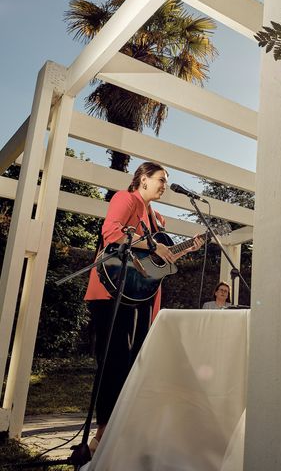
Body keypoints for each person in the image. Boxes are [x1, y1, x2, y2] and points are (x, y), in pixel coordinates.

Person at [84, 162, 203, 451]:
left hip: (141, 298)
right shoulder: (126, 199)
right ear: (143, 179)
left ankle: (125, 427)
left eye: (166, 180)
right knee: (113, 360)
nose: (164, 185)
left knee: (136, 360)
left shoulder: (158, 219)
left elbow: (160, 259)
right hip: (114, 290)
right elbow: (112, 232)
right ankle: (101, 435)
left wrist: (187, 248)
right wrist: (152, 247)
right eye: (160, 179)